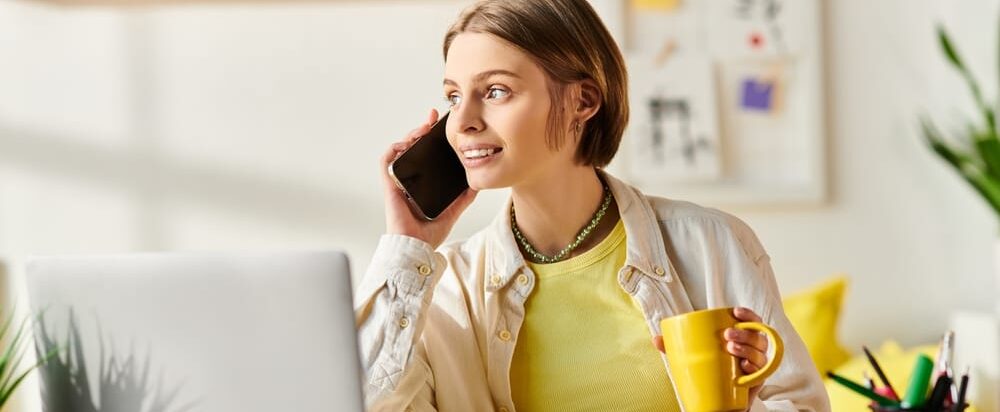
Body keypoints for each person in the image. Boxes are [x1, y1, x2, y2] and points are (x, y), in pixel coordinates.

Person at [354, 1, 831, 411]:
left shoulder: (711, 245)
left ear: (583, 100)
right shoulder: (445, 287)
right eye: (454, 96)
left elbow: (803, 402)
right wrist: (408, 247)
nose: (463, 122)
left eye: (495, 91)